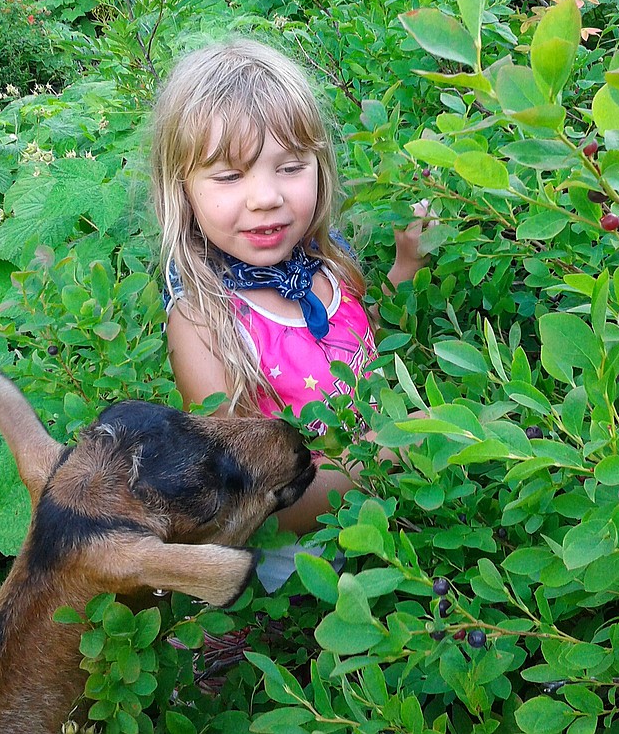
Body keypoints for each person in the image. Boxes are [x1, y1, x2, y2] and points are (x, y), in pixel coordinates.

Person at [150, 37, 428, 537]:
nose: (266, 197)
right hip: (303, 561)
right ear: (182, 189)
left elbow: (368, 340)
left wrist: (406, 263)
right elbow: (248, 500)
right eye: (230, 175)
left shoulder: (328, 262)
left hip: (397, 509)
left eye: (291, 167)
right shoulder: (202, 323)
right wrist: (392, 451)